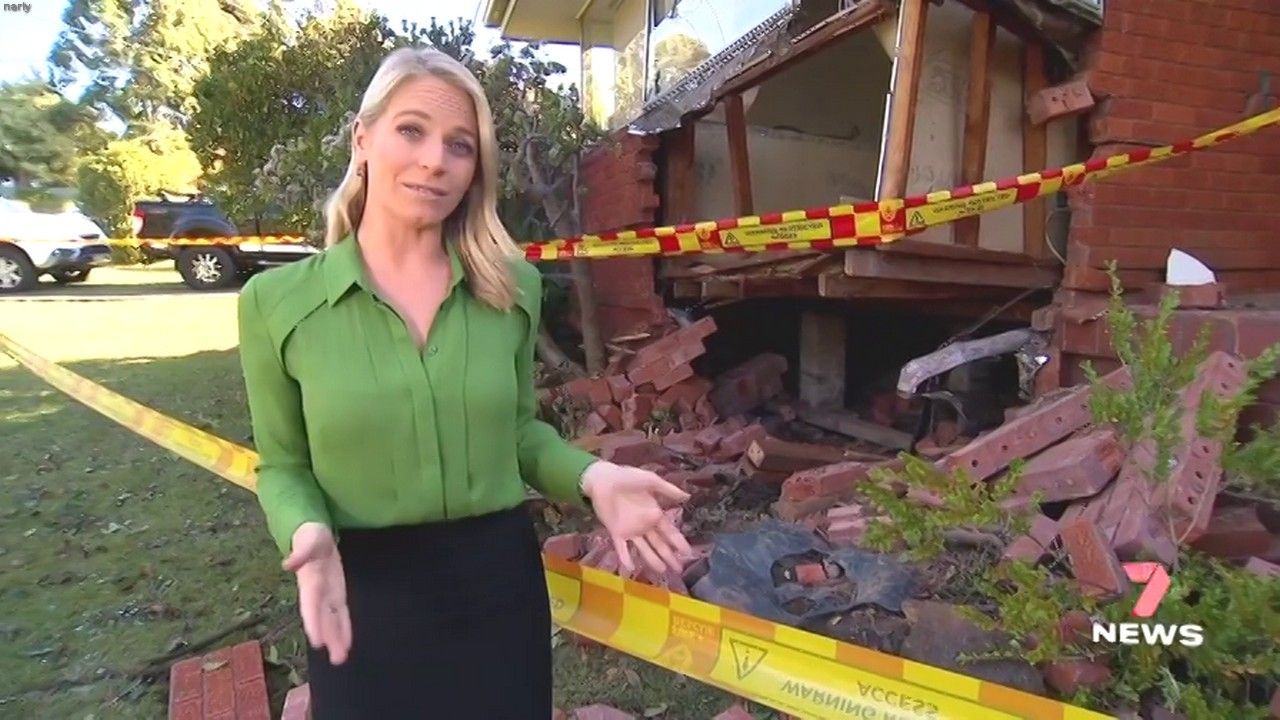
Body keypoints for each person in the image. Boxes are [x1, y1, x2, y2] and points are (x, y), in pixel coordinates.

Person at [236, 46, 695, 719]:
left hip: (497, 589)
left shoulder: (511, 289)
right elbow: (282, 465)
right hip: (358, 591)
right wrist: (306, 533)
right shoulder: (275, 304)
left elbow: (518, 433)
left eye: (460, 145)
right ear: (362, 139)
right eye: (411, 130)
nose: (435, 161)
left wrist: (593, 478)